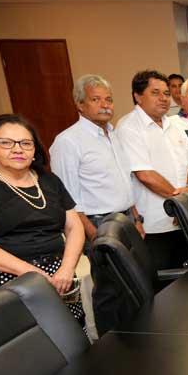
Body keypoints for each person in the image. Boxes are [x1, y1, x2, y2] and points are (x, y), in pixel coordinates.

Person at [0, 114, 86, 326]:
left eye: (26, 143)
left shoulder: (50, 180)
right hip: (5, 278)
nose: (18, 149)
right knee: (22, 341)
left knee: (73, 331)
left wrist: (67, 268)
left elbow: (74, 227)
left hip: (60, 275)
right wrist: (32, 273)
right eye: (6, 142)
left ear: (35, 150)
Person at [116, 70, 188, 272]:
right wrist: (180, 202)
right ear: (138, 96)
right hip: (153, 225)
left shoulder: (174, 125)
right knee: (160, 280)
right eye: (155, 93)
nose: (163, 98)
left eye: (166, 93)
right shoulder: (128, 127)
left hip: (183, 219)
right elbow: (145, 175)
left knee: (187, 276)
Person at [50, 74, 141, 249]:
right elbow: (67, 198)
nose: (105, 105)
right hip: (97, 224)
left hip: (127, 218)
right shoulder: (68, 141)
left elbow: (125, 181)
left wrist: (136, 219)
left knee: (137, 266)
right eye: (96, 99)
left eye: (109, 99)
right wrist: (93, 234)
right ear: (80, 104)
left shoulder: (114, 135)